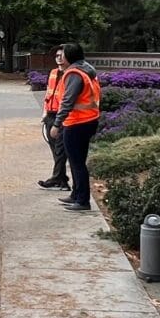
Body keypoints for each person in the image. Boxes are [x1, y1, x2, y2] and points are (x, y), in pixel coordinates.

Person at [45, 43, 102, 213]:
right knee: (77, 161)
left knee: (77, 163)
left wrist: (56, 124)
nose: (61, 58)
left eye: (64, 55)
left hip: (77, 123)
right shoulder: (87, 70)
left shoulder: (74, 74)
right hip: (88, 120)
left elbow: (67, 101)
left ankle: (83, 200)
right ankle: (76, 194)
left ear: (70, 56)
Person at [37, 47, 69, 189]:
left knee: (60, 149)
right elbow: (48, 94)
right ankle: (61, 179)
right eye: (57, 56)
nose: (59, 58)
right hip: (50, 114)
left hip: (61, 115)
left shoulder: (70, 75)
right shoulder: (53, 73)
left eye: (62, 56)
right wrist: (44, 113)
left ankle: (57, 178)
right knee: (54, 147)